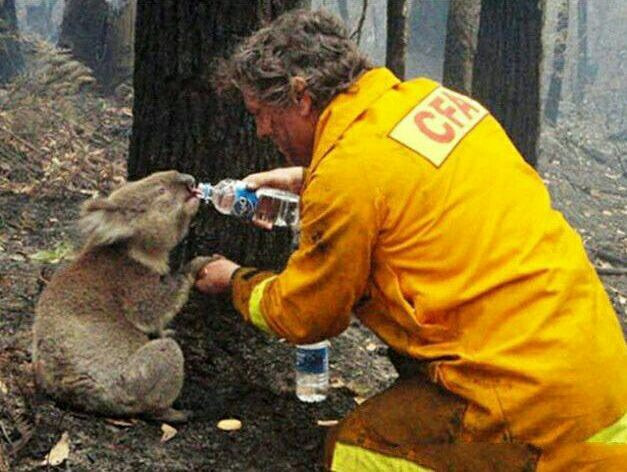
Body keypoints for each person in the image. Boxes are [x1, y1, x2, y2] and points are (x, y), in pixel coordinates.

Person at [195, 9, 627, 471]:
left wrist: (234, 280)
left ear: (301, 96)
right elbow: (405, 187)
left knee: (356, 453)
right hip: (601, 384)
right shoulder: (433, 102)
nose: (261, 131)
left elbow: (306, 314)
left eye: (262, 114)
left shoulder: (349, 175)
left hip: (529, 409)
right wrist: (308, 180)